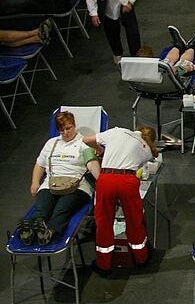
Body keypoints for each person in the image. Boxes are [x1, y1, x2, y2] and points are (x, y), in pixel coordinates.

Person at [19, 111, 101, 246]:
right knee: (42, 209)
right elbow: (40, 164)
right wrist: (35, 182)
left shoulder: (84, 143)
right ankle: (31, 230)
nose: (65, 132)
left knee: (62, 210)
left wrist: (102, 182)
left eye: (68, 128)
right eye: (62, 130)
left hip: (77, 186)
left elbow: (92, 164)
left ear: (74, 125)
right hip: (51, 183)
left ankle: (50, 232)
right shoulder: (51, 143)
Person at [83, 125, 158, 273]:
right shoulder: (148, 150)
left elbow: (86, 140)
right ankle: (141, 258)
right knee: (134, 220)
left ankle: (103, 264)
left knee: (104, 222)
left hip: (106, 179)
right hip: (128, 181)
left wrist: (100, 149)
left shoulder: (117, 131)